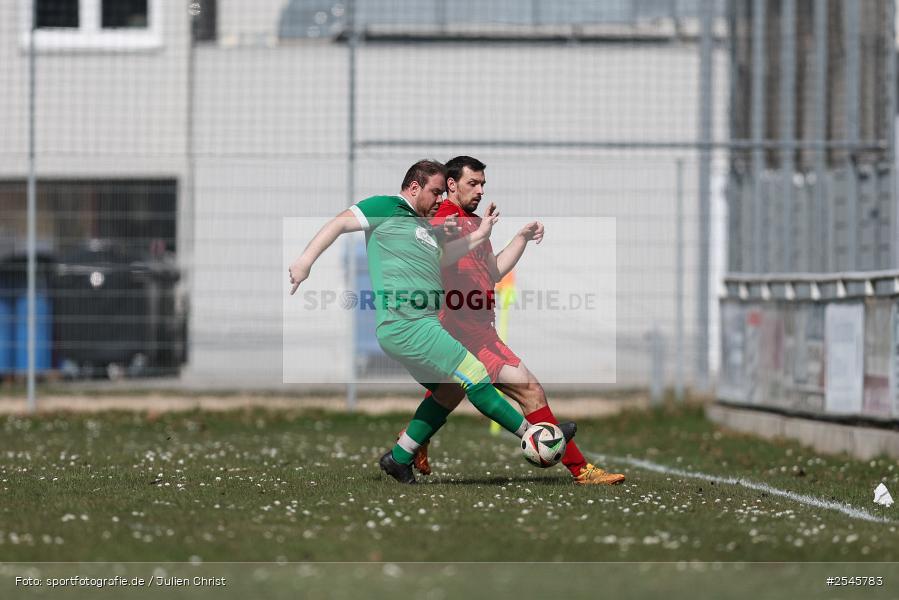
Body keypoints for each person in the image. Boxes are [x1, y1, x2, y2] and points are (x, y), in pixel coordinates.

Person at [288, 159, 575, 484]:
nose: (440, 200)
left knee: (451, 391)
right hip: (406, 324)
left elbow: (446, 257)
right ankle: (537, 437)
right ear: (414, 187)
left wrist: (480, 234)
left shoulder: (423, 227)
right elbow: (338, 223)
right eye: (435, 192)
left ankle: (399, 458)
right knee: (474, 373)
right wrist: (305, 261)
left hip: (423, 324)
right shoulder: (386, 207)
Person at [407, 156, 624, 486]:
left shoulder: (473, 221)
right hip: (459, 329)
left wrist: (520, 238)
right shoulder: (444, 217)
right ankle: (581, 470)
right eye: (472, 183)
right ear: (451, 185)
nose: (480, 190)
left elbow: (492, 271)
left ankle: (412, 443)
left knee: (450, 393)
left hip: (481, 330)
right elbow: (438, 254)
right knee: (529, 391)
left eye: (483, 184)